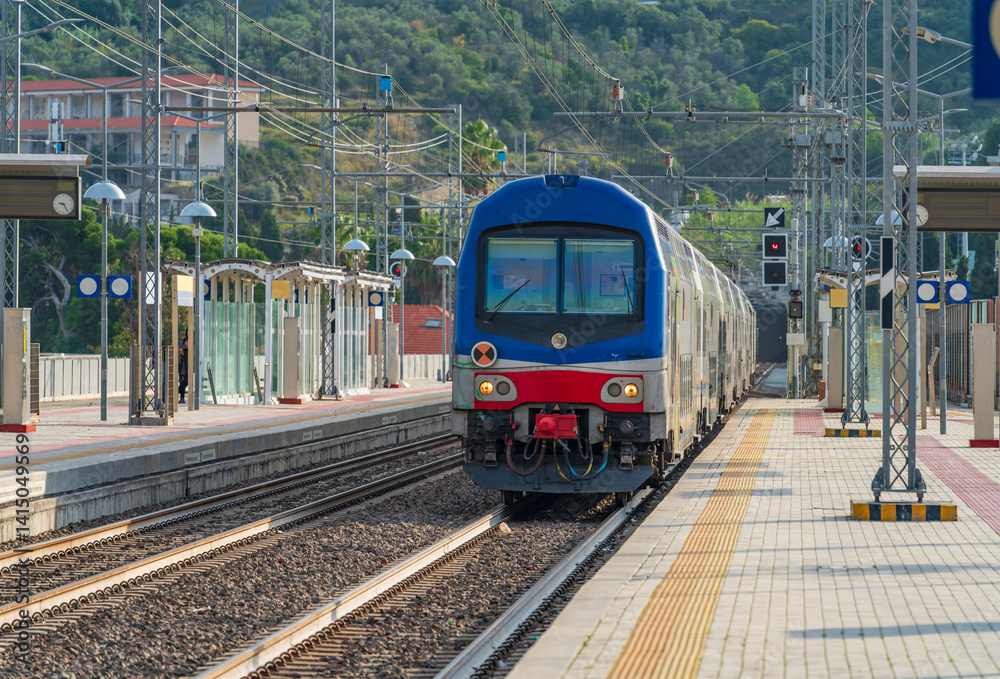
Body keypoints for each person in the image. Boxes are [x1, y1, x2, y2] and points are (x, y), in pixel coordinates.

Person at [178, 332, 189, 404]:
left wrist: (185, 352)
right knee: (182, 380)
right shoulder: (182, 341)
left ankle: (176, 391)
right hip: (182, 364)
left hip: (190, 364)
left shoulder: (194, 342)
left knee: (187, 381)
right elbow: (179, 350)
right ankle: (182, 398)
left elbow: (194, 352)